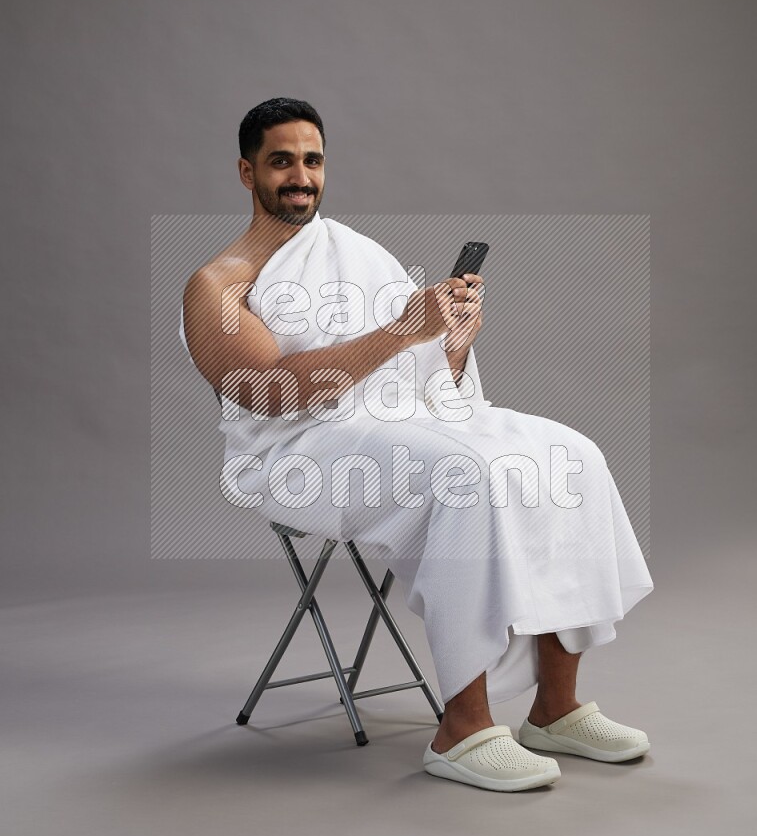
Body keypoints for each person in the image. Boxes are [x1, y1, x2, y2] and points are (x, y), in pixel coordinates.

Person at [180, 97, 654, 793]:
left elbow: (419, 380)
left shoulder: (358, 254)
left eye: (312, 160)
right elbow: (271, 391)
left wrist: (452, 347)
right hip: (302, 451)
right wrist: (405, 328)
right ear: (246, 171)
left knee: (572, 456)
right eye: (281, 161)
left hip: (397, 423)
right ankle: (461, 727)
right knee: (467, 476)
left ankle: (555, 708)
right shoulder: (216, 285)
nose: (301, 176)